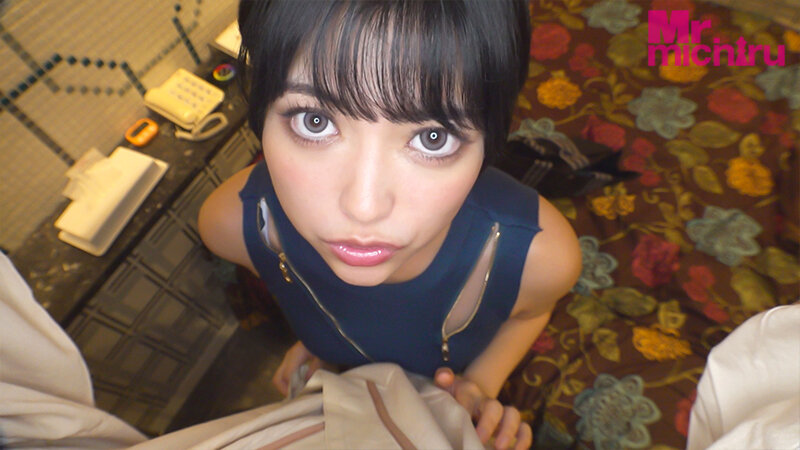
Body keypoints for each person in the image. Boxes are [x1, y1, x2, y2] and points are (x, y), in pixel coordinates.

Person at [199, 1, 582, 448]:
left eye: (433, 137)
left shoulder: (539, 259)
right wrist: (326, 348)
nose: (364, 208)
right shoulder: (233, 226)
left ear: (488, 142)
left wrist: (480, 383)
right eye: (315, 121)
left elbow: (532, 312)